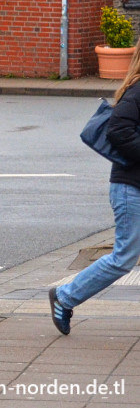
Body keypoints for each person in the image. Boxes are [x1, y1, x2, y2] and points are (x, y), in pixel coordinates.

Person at [50, 47, 140, 335]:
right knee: (124, 258)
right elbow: (118, 130)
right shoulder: (138, 90)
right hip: (131, 189)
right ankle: (64, 297)